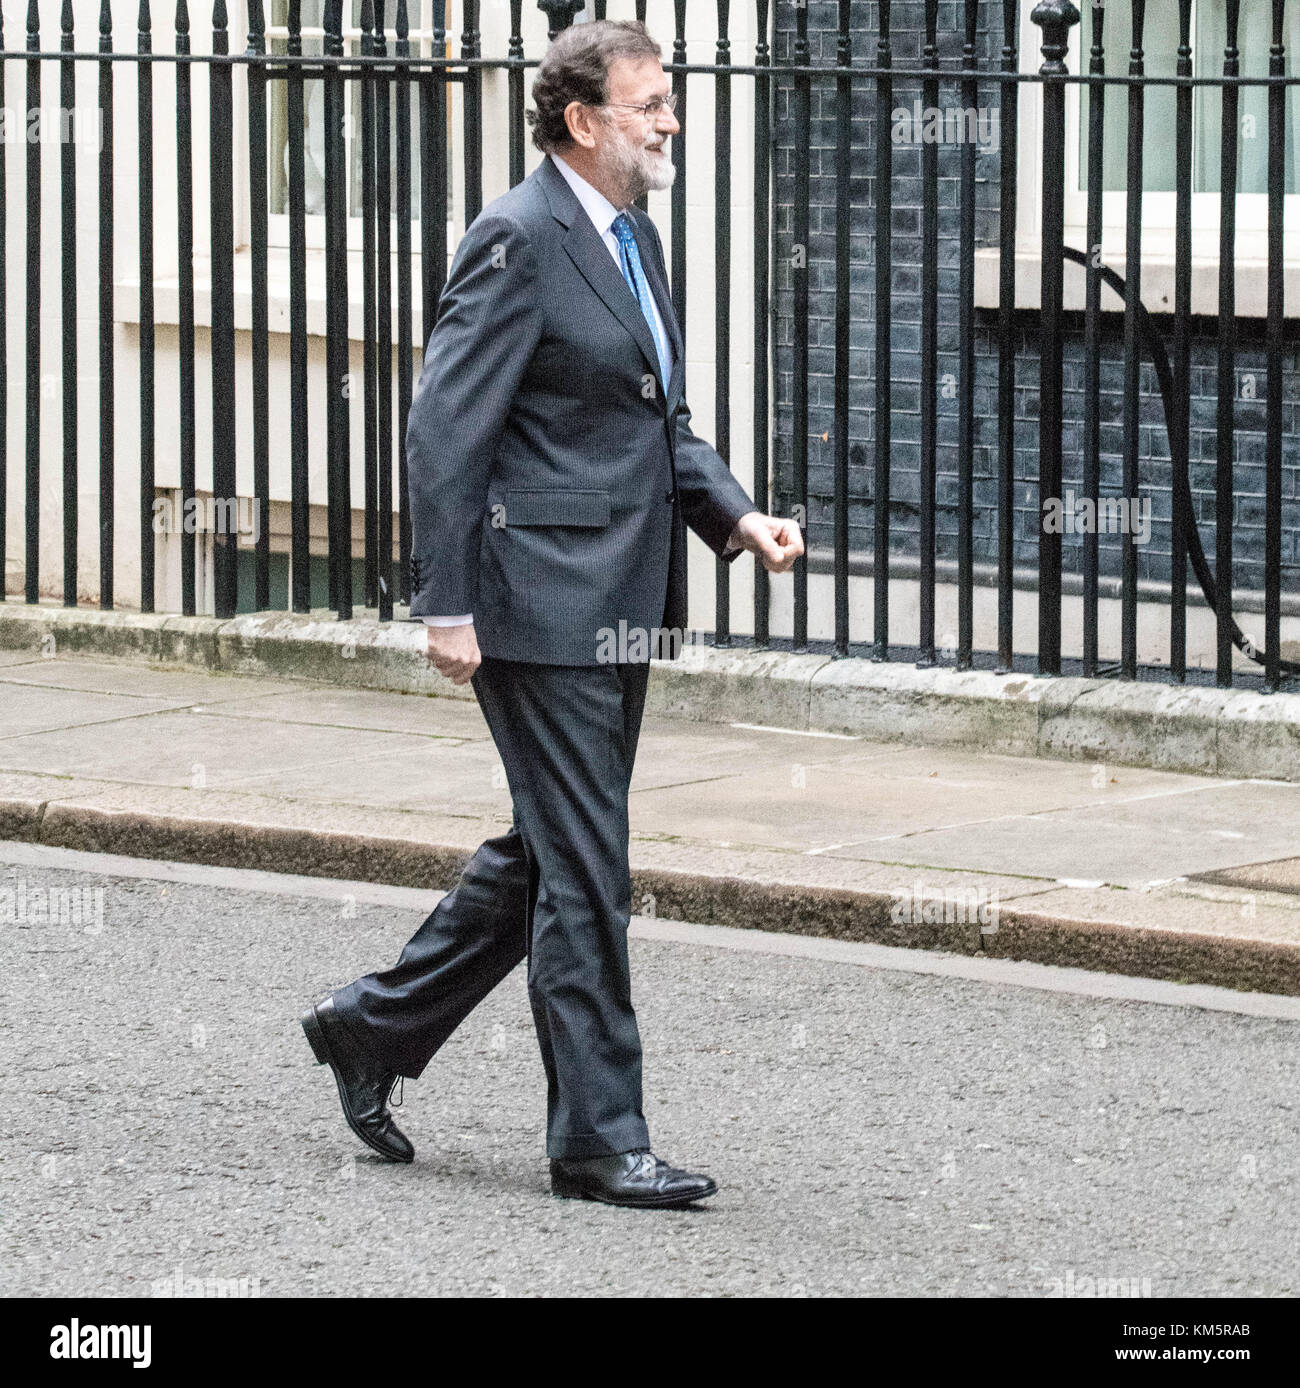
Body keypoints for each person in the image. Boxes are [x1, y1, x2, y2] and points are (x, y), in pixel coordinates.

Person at [301, 18, 803, 1210]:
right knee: (588, 872)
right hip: (537, 607)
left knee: (549, 854)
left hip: (620, 597)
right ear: (582, 121)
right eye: (649, 105)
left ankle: (369, 1022)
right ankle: (597, 1138)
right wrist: (447, 603)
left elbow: (654, 420)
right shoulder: (517, 238)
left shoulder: (631, 238)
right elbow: (445, 427)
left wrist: (734, 515)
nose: (669, 120)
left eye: (667, 100)